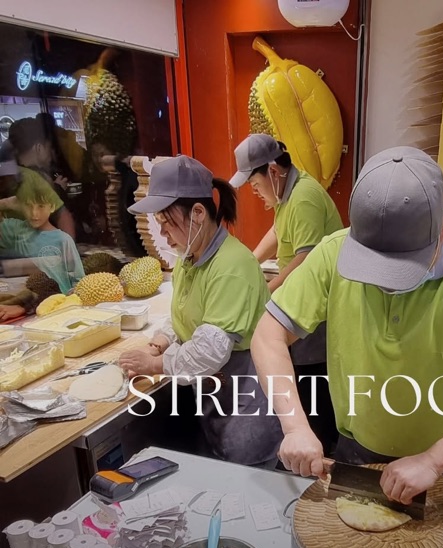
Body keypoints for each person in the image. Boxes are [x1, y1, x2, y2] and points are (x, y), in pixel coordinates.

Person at [250, 147, 443, 503]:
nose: (386, 283)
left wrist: (434, 460)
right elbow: (268, 334)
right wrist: (294, 426)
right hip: (355, 451)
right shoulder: (333, 253)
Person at [119, 155, 282, 468]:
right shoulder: (189, 258)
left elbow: (209, 352)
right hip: (215, 401)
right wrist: (163, 338)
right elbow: (187, 310)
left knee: (247, 483)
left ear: (197, 213)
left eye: (167, 223)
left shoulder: (232, 266)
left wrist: (154, 364)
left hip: (245, 404)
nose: (163, 234)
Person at [230, 133, 342, 453]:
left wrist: (267, 291)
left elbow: (306, 259)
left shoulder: (304, 196)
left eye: (255, 185)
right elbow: (278, 232)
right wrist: (248, 265)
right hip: (300, 304)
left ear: (273, 173)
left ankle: (318, 458)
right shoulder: (288, 194)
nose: (255, 193)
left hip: (315, 314)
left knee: (312, 396)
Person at [0, 178, 84, 320]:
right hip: (27, 309)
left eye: (40, 206)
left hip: (57, 308)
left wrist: (71, 302)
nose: (34, 213)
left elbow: (79, 281)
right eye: (28, 205)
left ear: (51, 206)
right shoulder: (16, 230)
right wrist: (6, 203)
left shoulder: (63, 240)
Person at [7, 118, 75, 238]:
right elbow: (63, 217)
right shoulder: (36, 178)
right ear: (38, 148)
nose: (51, 153)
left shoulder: (8, 175)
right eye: (48, 147)